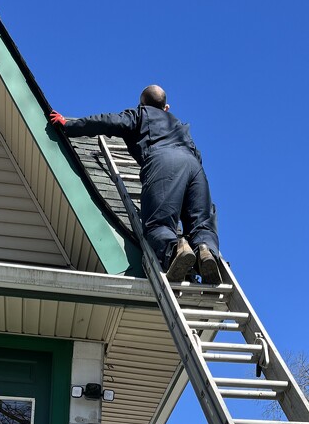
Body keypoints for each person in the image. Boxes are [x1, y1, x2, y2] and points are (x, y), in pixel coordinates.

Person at [49, 85, 221, 284]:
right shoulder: (180, 126)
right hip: (194, 167)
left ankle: (175, 252)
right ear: (166, 107)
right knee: (202, 223)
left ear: (142, 104)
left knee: (158, 223)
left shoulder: (140, 115)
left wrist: (70, 125)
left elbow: (108, 121)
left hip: (164, 161)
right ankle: (206, 252)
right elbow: (197, 156)